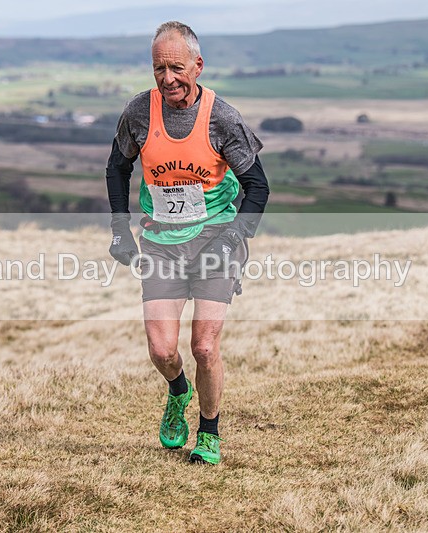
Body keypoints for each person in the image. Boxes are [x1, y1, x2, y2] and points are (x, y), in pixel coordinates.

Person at [105, 21, 269, 465]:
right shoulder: (139, 112)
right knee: (162, 349)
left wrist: (234, 237)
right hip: (162, 241)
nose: (168, 78)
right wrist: (120, 228)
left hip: (217, 237)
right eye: (159, 69)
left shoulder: (222, 118)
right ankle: (178, 389)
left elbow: (258, 186)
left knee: (205, 347)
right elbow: (117, 168)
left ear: (198, 66)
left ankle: (209, 433)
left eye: (177, 68)